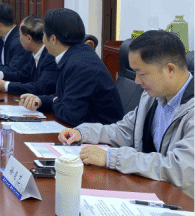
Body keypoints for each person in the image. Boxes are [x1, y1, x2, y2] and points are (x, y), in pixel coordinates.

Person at [58, 31, 193, 197]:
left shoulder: (191, 110)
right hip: (150, 190)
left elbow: (179, 169)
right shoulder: (152, 98)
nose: (136, 81)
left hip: (182, 202)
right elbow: (124, 130)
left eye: (142, 73)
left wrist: (111, 158)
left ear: (170, 69)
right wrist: (83, 132)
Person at [19, 8, 123, 126]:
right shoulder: (76, 55)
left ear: (53, 39)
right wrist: (41, 101)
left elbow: (71, 116)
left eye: (44, 35)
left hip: (101, 135)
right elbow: (64, 98)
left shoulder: (80, 66)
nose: (42, 40)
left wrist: (55, 101)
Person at [0, 15, 58, 96]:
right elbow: (23, 75)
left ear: (29, 38)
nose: (19, 38)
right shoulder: (34, 52)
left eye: (20, 35)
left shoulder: (50, 57)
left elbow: (40, 88)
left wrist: (6, 86)